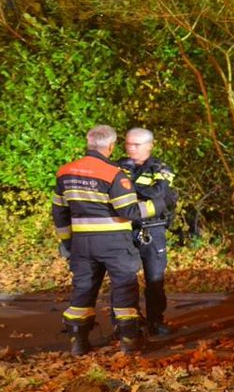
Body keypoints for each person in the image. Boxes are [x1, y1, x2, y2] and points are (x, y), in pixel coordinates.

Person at [52, 125, 166, 355]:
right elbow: (129, 211)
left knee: (82, 289)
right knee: (124, 288)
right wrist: (159, 205)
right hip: (114, 242)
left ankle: (78, 342)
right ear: (111, 146)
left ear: (89, 142)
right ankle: (129, 343)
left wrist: (67, 242)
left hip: (82, 244)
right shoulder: (113, 174)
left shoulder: (65, 172)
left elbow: (59, 212)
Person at [119, 127, 178, 337]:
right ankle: (129, 324)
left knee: (154, 279)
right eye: (128, 144)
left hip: (153, 230)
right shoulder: (117, 166)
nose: (131, 149)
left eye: (136, 145)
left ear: (149, 146)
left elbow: (159, 193)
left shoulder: (160, 167)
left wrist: (128, 186)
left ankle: (156, 320)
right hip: (124, 229)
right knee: (124, 280)